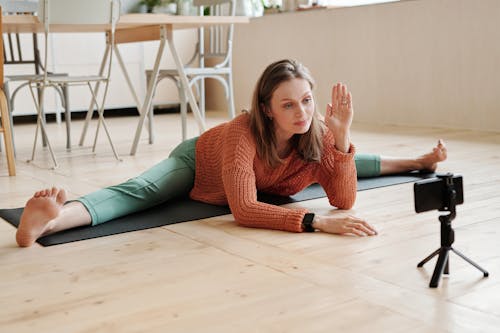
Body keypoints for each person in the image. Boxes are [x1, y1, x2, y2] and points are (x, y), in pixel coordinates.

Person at [15, 59, 447, 247]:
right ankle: (50, 222)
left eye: (308, 100)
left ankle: (416, 161)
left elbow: (344, 198)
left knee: (348, 155)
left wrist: (341, 135)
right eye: (288, 104)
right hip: (199, 164)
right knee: (142, 191)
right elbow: (244, 209)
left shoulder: (311, 130)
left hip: (271, 175)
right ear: (266, 108)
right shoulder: (243, 132)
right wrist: (316, 224)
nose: (302, 113)